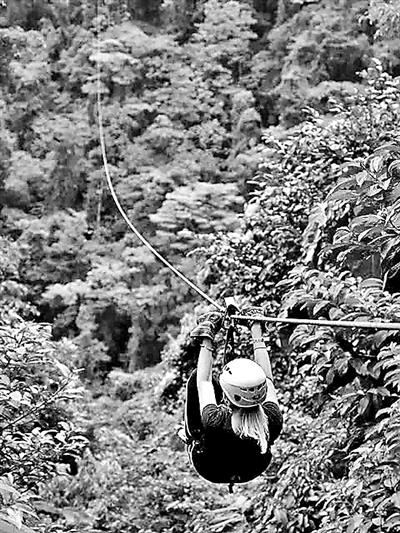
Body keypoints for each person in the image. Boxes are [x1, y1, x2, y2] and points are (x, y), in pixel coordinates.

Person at [182, 308, 283, 488]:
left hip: (210, 468)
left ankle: (191, 435)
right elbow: (267, 379)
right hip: (253, 468)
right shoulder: (271, 417)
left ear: (226, 398)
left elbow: (203, 381)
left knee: (197, 382)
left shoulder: (216, 419)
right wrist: (256, 329)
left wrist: (207, 336)